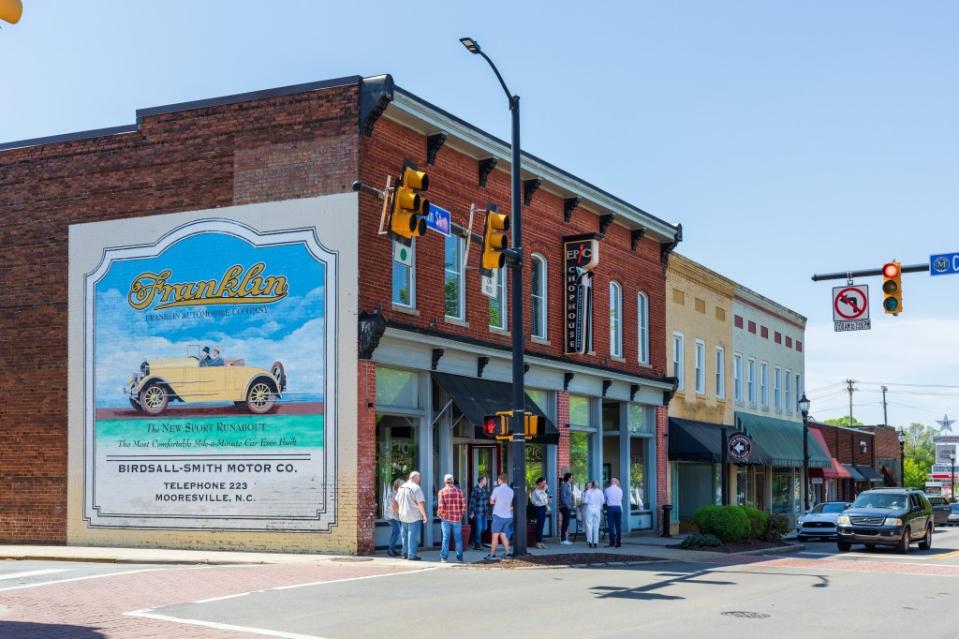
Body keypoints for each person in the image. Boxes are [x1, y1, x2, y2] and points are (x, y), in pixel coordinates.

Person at [396, 470, 428, 561]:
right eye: (419, 478)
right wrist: (424, 515)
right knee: (413, 537)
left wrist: (399, 511)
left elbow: (396, 501)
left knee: (404, 536)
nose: (420, 480)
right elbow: (420, 503)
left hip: (403, 515)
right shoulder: (416, 488)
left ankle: (404, 553)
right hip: (414, 516)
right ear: (414, 477)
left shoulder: (401, 487)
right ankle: (411, 555)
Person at [437, 474, 467, 563]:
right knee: (458, 539)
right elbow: (464, 506)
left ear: (445, 481)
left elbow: (441, 506)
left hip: (446, 518)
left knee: (446, 538)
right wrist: (460, 515)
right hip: (457, 519)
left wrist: (440, 515)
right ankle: (459, 557)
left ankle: (444, 558)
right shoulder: (459, 491)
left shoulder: (442, 492)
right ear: (453, 481)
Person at [487, 473, 514, 560]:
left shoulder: (497, 489)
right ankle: (508, 552)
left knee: (495, 535)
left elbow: (491, 501)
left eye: (498, 480)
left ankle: (493, 554)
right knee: (503, 534)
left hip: (498, 515)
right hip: (508, 516)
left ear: (500, 480)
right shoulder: (511, 491)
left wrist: (497, 503)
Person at [468, 476, 490, 550]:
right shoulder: (475, 489)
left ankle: (474, 538)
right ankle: (477, 544)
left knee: (484, 528)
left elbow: (486, 501)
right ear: (481, 481)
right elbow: (472, 501)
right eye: (485, 480)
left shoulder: (484, 490)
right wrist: (471, 512)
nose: (486, 481)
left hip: (484, 512)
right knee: (479, 528)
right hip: (477, 512)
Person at [384, 478, 403, 557]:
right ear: (398, 485)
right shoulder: (395, 494)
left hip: (392, 516)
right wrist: (400, 513)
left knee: (395, 532)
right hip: (392, 516)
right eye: (402, 485)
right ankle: (390, 550)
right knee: (397, 532)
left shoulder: (395, 493)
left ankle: (392, 549)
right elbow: (394, 505)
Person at [583, 481, 605, 548]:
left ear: (591, 485)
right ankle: (595, 542)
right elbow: (603, 501)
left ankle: (589, 541)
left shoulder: (588, 491)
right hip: (597, 509)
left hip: (589, 509)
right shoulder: (600, 492)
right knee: (596, 526)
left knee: (589, 525)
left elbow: (585, 501)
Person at [530, 477, 550, 549]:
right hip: (538, 508)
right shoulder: (536, 492)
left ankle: (540, 541)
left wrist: (546, 497)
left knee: (541, 526)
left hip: (543, 508)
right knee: (539, 525)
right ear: (539, 483)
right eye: (543, 483)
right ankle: (538, 542)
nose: (545, 484)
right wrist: (544, 491)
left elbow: (546, 501)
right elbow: (541, 499)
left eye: (545, 483)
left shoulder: (542, 491)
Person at [604, 477, 624, 548]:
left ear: (611, 482)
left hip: (610, 508)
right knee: (618, 526)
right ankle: (618, 543)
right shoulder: (620, 490)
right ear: (616, 482)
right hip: (618, 508)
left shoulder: (607, 490)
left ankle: (612, 542)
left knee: (611, 526)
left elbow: (605, 500)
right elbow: (621, 499)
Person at [558, 472, 574, 545]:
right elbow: (563, 497)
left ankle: (564, 539)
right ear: (568, 478)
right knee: (565, 523)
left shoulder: (568, 486)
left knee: (566, 522)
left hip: (568, 507)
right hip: (564, 507)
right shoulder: (564, 486)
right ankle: (563, 539)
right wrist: (568, 506)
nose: (572, 479)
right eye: (571, 477)